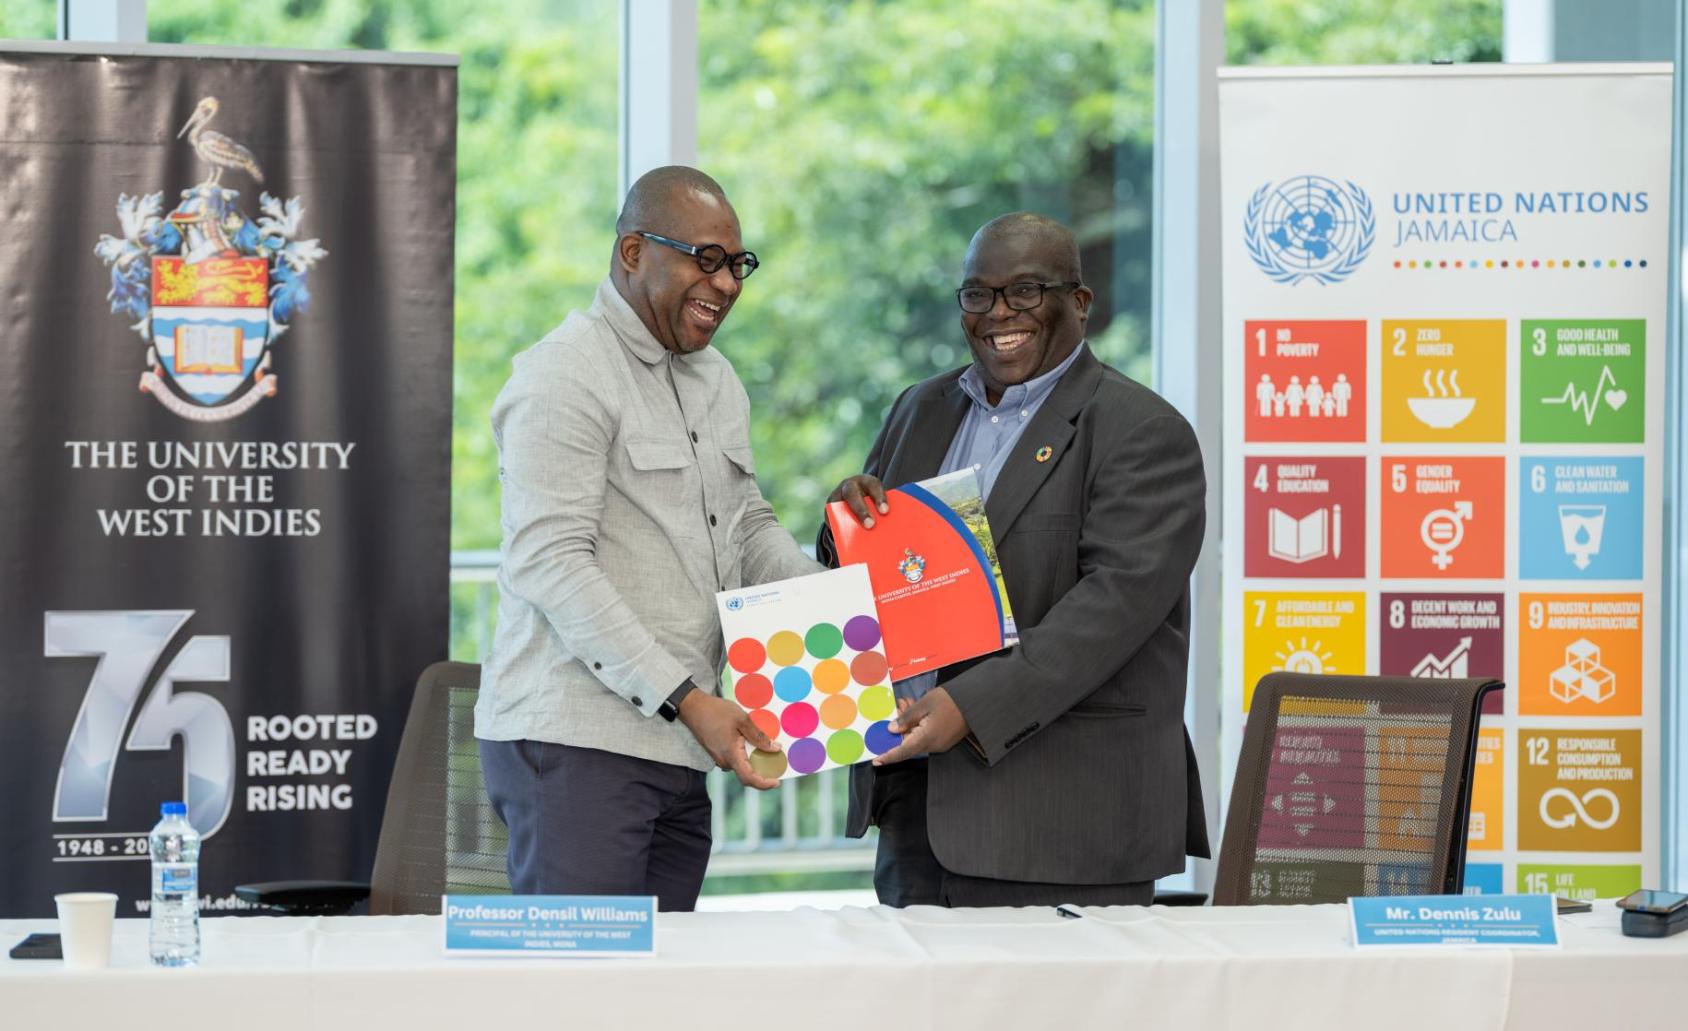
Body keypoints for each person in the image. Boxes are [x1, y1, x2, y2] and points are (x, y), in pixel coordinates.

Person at [824, 212, 1209, 907]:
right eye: (979, 294)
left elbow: (1110, 612)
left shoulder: (1144, 431)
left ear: (1080, 303)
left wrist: (967, 705)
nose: (1000, 313)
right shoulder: (920, 408)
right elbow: (887, 573)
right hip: (917, 809)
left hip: (1064, 824)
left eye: (1026, 291)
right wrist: (845, 526)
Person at [476, 166, 818, 911]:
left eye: (736, 264)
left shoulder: (718, 381)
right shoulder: (563, 373)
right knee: (583, 1003)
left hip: (678, 749)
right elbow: (552, 562)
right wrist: (689, 698)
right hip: (578, 745)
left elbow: (747, 525)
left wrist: (837, 605)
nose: (726, 283)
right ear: (633, 251)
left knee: (659, 998)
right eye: (706, 259)